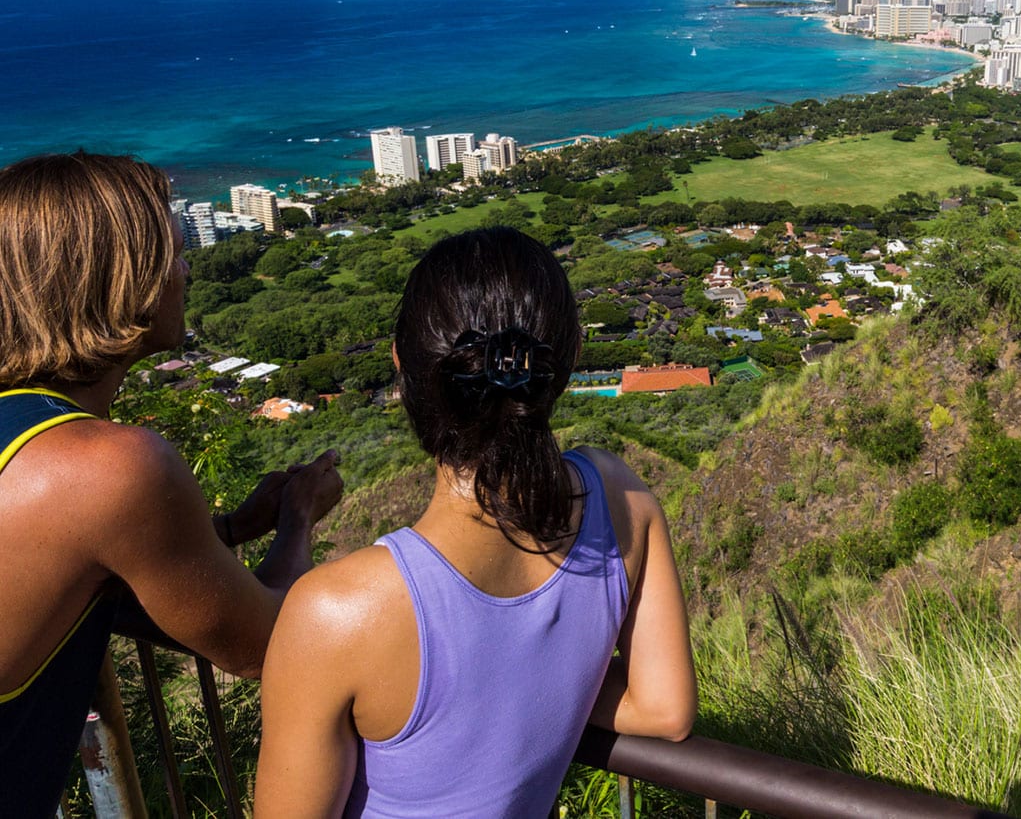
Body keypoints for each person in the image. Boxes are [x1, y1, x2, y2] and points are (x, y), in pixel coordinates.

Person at [255, 227, 696, 818]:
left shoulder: (336, 612)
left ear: (402, 364)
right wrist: (547, 672)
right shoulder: (621, 498)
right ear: (564, 361)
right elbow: (664, 710)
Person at [0, 152, 344, 818]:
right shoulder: (109, 466)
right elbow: (268, 646)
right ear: (117, 282)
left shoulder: (27, 435)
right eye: (173, 255)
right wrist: (301, 515)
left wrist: (235, 529)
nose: (185, 273)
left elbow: (73, 569)